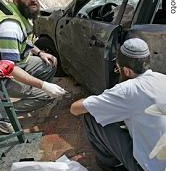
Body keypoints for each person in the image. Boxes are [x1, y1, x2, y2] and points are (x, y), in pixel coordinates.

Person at [0, 0, 66, 133]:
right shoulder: (9, 27)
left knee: (49, 66)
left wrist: (40, 52)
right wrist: (44, 86)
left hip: (9, 65)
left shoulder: (17, 12)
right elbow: (10, 68)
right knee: (47, 95)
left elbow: (23, 40)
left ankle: (31, 95)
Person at [70, 38, 166, 171]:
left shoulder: (128, 90)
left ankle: (113, 167)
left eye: (118, 68)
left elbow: (75, 109)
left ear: (127, 71)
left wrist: (99, 100)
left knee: (91, 117)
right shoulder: (165, 79)